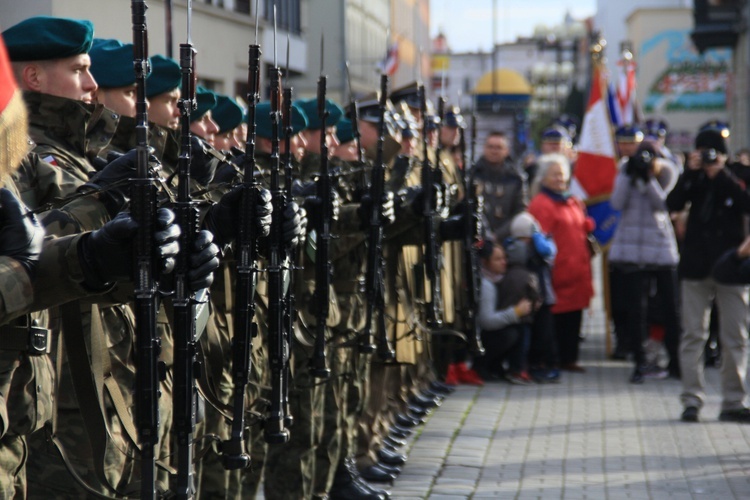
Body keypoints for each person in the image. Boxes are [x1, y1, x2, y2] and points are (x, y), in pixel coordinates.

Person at [666, 127, 750, 423]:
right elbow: (672, 204)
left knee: (735, 337)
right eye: (703, 153)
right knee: (693, 335)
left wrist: (722, 176)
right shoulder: (693, 178)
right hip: (696, 267)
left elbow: (746, 203)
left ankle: (733, 401)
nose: (708, 158)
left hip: (732, 269)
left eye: (713, 153)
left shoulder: (737, 176)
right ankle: (691, 400)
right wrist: (690, 174)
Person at [609, 142, 681, 383]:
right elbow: (616, 203)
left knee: (670, 308)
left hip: (659, 248)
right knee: (636, 310)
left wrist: (647, 177)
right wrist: (630, 176)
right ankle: (639, 362)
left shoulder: (667, 172)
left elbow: (662, 205)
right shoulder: (625, 171)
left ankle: (675, 361)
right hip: (632, 250)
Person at [528, 153, 594, 373]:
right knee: (555, 319)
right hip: (557, 272)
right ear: (543, 178)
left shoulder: (573, 200)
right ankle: (552, 359)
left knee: (574, 317)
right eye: (554, 175)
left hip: (577, 271)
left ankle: (569, 358)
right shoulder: (541, 204)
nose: (559, 179)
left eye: (562, 174)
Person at [476, 241, 534, 384]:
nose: (504, 262)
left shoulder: (499, 279)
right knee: (511, 333)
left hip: (489, 334)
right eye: (498, 259)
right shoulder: (486, 285)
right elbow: (486, 321)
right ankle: (483, 366)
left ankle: (500, 368)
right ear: (485, 262)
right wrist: (515, 312)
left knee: (518, 329)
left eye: (504, 258)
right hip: (481, 339)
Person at [473, 131, 527, 241]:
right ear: (484, 149)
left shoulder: (516, 178)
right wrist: (486, 237)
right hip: (478, 238)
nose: (494, 151)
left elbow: (520, 211)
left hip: (507, 237)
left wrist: (497, 236)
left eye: (498, 147)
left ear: (506, 151)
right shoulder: (473, 175)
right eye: (490, 147)